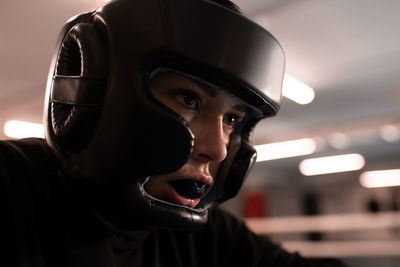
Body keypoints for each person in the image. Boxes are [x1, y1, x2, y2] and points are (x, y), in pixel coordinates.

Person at [0, 0, 349, 266]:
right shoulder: (12, 186)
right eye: (188, 99)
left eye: (231, 120)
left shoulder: (202, 236)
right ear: (93, 94)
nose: (218, 150)